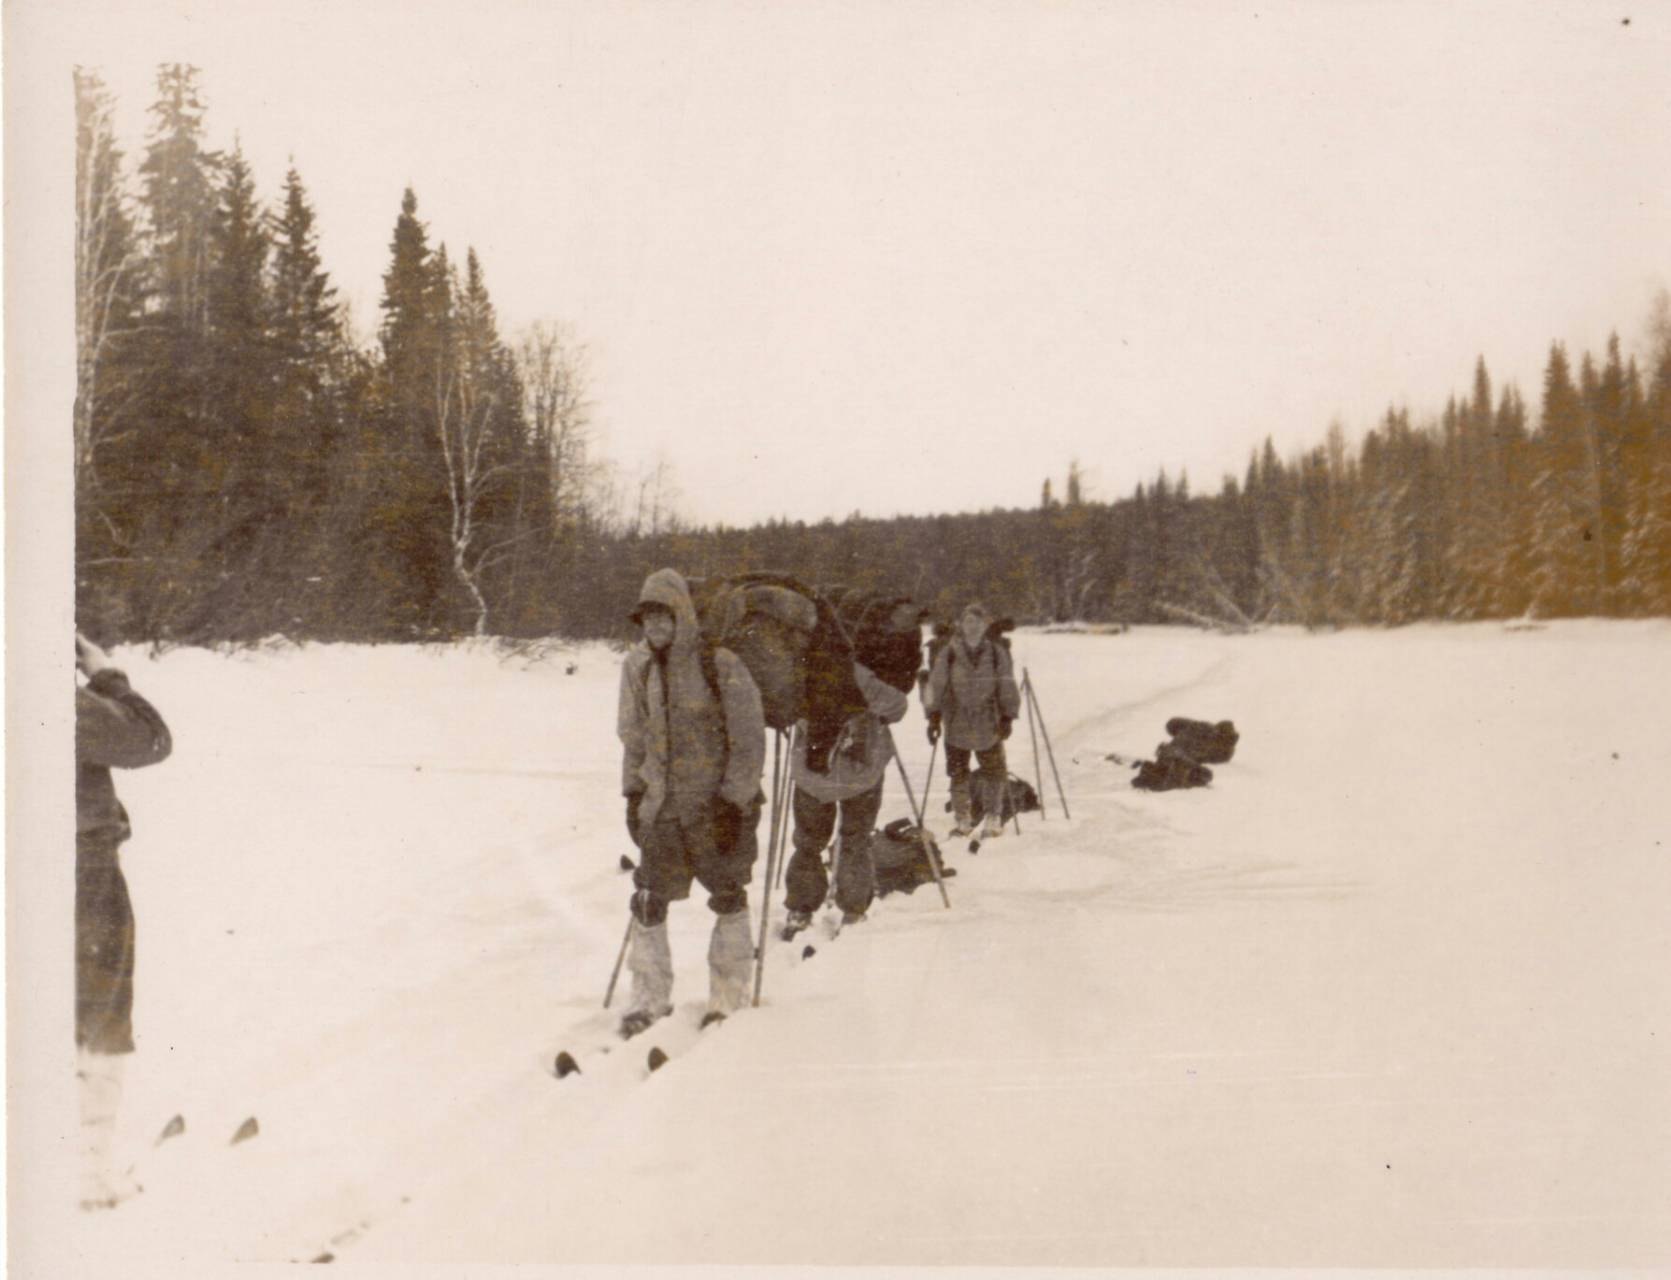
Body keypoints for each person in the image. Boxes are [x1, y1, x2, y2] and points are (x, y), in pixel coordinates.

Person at [617, 569, 766, 1036]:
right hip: (663, 807)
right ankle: (648, 999)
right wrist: (633, 793)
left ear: (681, 614)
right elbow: (633, 739)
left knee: (727, 897)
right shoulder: (639, 667)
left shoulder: (719, 664)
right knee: (647, 899)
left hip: (717, 808)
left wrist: (734, 801)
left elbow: (749, 739)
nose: (654, 626)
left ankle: (728, 997)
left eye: (663, 616)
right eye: (647, 618)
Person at [74, 632, 173, 1210]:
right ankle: (84, 1175)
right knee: (98, 1015)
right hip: (80, 876)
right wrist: (106, 674)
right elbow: (149, 739)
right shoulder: (39, 696)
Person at [782, 661, 910, 934]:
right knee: (854, 840)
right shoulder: (860, 674)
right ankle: (853, 910)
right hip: (859, 775)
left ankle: (801, 908)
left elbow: (782, 708)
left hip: (814, 776)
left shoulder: (801, 669)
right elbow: (898, 707)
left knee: (808, 841)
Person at [923, 603, 1021, 839]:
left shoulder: (996, 653)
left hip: (988, 721)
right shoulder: (950, 652)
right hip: (957, 720)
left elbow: (1006, 685)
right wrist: (933, 717)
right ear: (961, 625)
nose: (973, 626)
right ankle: (962, 818)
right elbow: (936, 686)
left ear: (985, 625)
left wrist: (1008, 715)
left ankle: (993, 816)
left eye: (977, 622)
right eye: (968, 621)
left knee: (994, 771)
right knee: (958, 773)